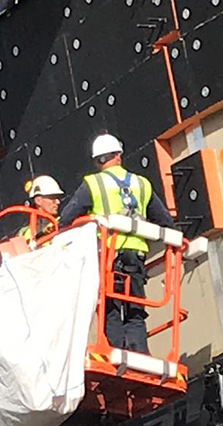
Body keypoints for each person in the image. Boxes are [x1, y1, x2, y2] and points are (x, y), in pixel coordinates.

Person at [58, 133, 176, 353]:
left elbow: (66, 218)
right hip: (137, 255)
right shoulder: (142, 184)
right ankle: (139, 354)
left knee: (110, 307)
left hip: (109, 258)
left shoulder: (93, 184)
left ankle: (116, 353)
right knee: (135, 309)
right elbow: (165, 221)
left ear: (97, 161)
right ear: (119, 155)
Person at [19, 175, 63, 242]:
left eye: (58, 198)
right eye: (53, 198)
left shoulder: (62, 222)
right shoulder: (24, 234)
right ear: (38, 200)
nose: (58, 202)